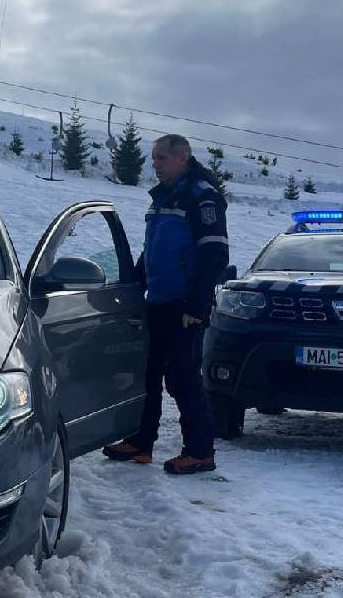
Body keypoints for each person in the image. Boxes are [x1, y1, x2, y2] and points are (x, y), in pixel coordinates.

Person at [103, 134, 229, 474]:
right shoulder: (163, 198)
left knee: (182, 378)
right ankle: (141, 441)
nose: (154, 164)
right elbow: (154, 250)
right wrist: (132, 288)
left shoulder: (202, 197)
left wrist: (196, 306)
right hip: (157, 301)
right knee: (147, 373)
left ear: (182, 158)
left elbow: (214, 254)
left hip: (184, 305)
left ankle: (200, 452)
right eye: (154, 158)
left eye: (161, 158)